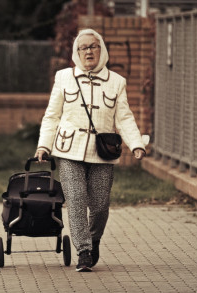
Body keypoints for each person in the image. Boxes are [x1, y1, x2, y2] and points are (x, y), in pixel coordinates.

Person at [35, 28, 146, 272]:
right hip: (68, 149)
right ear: (76, 52)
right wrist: (43, 145)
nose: (88, 51)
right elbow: (52, 116)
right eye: (83, 47)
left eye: (93, 46)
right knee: (75, 200)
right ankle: (83, 251)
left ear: (102, 50)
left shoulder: (116, 82)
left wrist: (136, 143)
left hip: (103, 152)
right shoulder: (64, 78)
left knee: (99, 206)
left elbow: (124, 118)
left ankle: (94, 240)